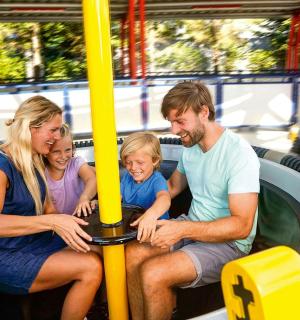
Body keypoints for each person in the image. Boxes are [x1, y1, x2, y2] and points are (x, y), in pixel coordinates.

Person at [125, 81, 260, 320]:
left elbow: (242, 226)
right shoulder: (192, 147)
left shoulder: (239, 154)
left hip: (229, 244)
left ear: (204, 112)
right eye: (171, 122)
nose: (174, 130)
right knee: (133, 253)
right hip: (192, 226)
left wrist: (181, 229)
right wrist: (139, 210)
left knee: (154, 272)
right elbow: (172, 187)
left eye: (180, 121)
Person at [0, 95, 102, 320]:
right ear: (31, 127)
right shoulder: (2, 165)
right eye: (53, 130)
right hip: (7, 255)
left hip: (34, 243)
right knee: (90, 267)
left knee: (98, 249)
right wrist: (54, 222)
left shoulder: (34, 161)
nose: (57, 137)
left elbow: (49, 211)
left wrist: (72, 223)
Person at [120, 132, 171, 242]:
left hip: (154, 229)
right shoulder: (127, 178)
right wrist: (99, 204)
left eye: (140, 162)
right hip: (132, 228)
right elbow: (115, 198)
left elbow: (164, 198)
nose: (133, 168)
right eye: (128, 162)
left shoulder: (157, 180)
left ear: (154, 160)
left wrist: (151, 215)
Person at [45, 123, 97, 216]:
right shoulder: (42, 173)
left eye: (67, 150)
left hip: (81, 217)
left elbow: (92, 179)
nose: (63, 156)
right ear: (45, 152)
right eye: (56, 151)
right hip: (58, 223)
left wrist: (85, 197)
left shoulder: (76, 163)